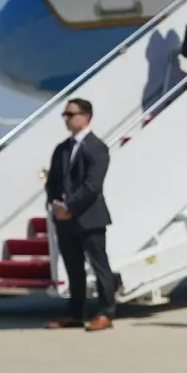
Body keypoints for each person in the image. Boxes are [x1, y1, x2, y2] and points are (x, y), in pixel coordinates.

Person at [44, 98, 117, 332]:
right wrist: (56, 204)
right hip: (65, 220)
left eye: (70, 114)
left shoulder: (97, 147)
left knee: (99, 267)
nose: (66, 118)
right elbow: (53, 181)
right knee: (73, 267)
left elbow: (92, 185)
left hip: (89, 217)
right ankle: (75, 313)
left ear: (85, 116)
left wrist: (70, 207)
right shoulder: (62, 148)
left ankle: (106, 312)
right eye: (64, 114)